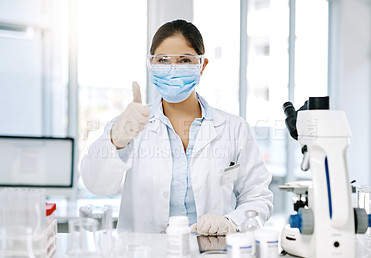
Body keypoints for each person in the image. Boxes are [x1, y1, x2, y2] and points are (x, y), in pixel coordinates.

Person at [81, 19, 273, 235]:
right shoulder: (130, 125)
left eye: (184, 60)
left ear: (202, 65)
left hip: (211, 255)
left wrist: (231, 222)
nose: (173, 69)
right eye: (163, 60)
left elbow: (257, 196)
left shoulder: (235, 129)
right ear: (151, 64)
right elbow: (95, 184)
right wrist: (117, 138)